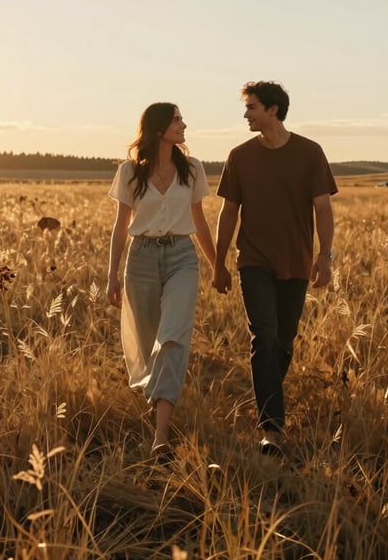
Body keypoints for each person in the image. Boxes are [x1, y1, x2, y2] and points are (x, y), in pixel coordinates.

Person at [212, 81, 337, 456]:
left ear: (273, 110)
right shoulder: (240, 156)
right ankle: (271, 430)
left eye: (251, 107)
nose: (246, 114)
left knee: (284, 341)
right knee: (263, 336)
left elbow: (323, 208)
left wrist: (325, 256)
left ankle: (268, 396)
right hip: (254, 260)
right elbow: (228, 212)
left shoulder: (310, 153)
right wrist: (218, 263)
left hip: (296, 261)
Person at [107, 102, 216, 458]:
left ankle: (161, 437)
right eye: (177, 120)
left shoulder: (192, 168)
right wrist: (112, 275)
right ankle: (159, 404)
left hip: (182, 259)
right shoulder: (129, 172)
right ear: (157, 129)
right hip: (140, 260)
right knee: (149, 341)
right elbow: (121, 226)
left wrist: (218, 266)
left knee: (171, 339)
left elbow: (199, 221)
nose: (184, 125)